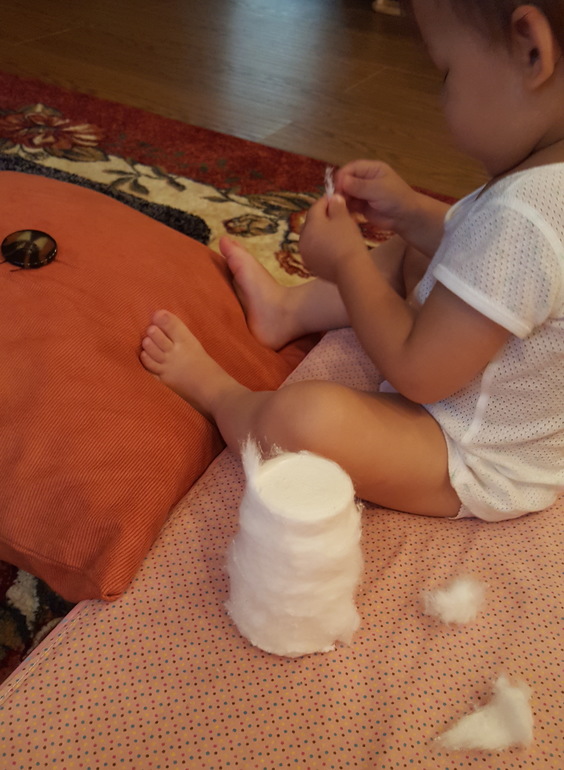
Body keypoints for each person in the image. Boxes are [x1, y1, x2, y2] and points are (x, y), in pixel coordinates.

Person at [141, 0, 564, 522]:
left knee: (304, 420)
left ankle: (221, 395)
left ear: (531, 50)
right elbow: (484, 253)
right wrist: (409, 212)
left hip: (475, 459)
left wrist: (347, 262)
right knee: (422, 247)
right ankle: (288, 311)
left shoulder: (525, 214)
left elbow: (418, 373)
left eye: (446, 72)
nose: (440, 98)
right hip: (501, 414)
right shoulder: (545, 184)